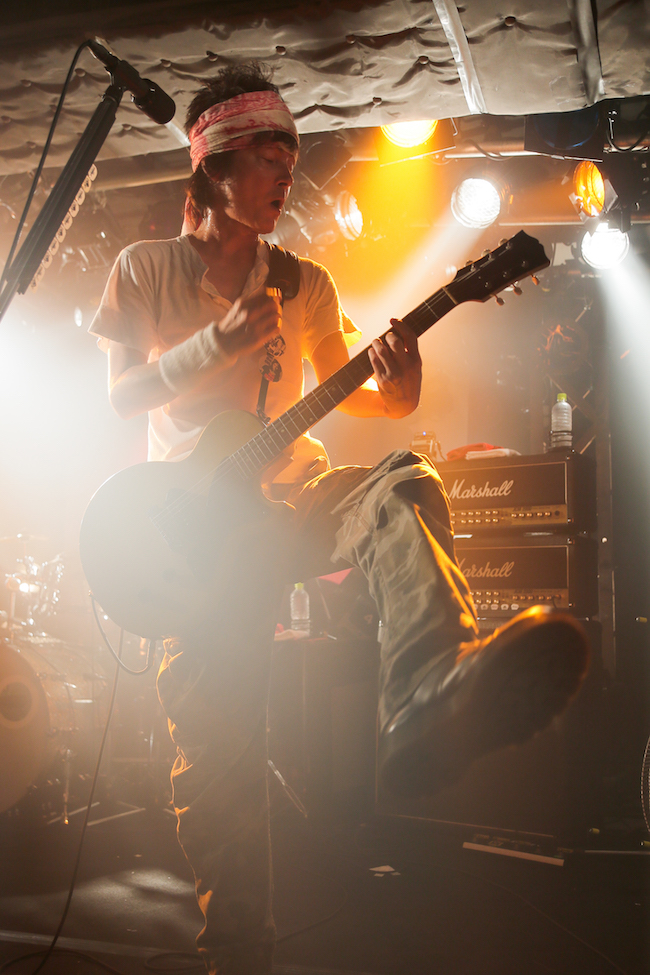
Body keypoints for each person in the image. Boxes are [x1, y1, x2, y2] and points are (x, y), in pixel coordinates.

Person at [90, 63, 590, 975]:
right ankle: (238, 957)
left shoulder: (304, 281)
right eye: (267, 154)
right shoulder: (144, 268)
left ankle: (428, 683)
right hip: (195, 538)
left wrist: (400, 378)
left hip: (296, 496)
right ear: (211, 163)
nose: (287, 172)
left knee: (403, 480)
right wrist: (216, 343)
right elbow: (121, 396)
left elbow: (361, 394)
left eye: (293, 157)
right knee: (218, 777)